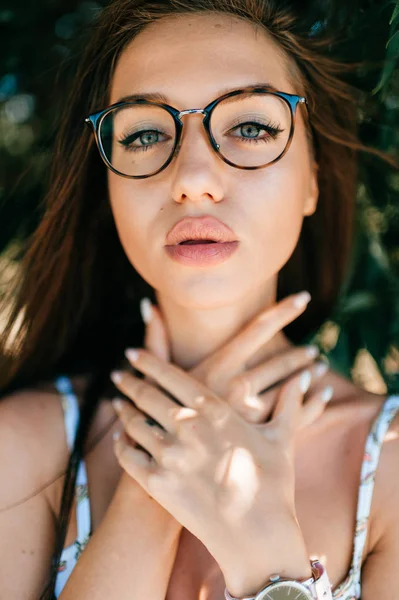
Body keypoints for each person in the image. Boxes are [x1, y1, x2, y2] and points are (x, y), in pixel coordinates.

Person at [0, 1, 398, 599]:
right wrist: (151, 491)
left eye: (251, 127)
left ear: (313, 178)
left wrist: (266, 551)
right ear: (106, 190)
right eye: (146, 134)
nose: (192, 177)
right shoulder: (20, 449)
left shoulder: (391, 469)